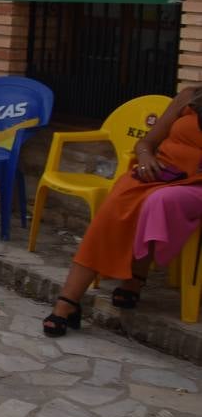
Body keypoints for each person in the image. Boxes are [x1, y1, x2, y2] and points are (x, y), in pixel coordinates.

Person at [43, 86, 202, 336]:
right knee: (112, 210)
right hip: (158, 171)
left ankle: (135, 277)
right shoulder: (190, 97)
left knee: (158, 201)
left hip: (195, 185)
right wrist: (146, 157)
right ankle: (68, 301)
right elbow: (147, 142)